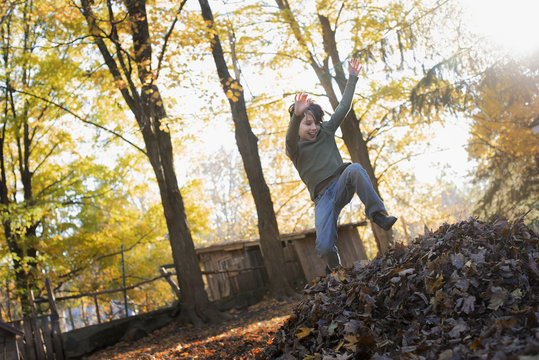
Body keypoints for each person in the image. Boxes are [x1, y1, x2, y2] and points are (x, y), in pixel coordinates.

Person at [285, 58, 397, 273]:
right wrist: (297, 115)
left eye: (316, 123)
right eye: (308, 123)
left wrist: (352, 78)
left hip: (341, 184)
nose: (314, 128)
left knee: (354, 168)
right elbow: (289, 138)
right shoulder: (295, 149)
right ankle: (335, 270)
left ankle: (377, 214)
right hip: (322, 199)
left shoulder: (325, 132)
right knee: (324, 246)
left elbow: (344, 107)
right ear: (297, 124)